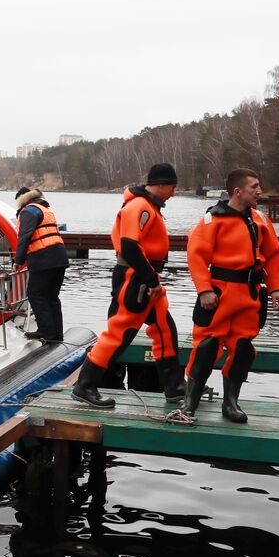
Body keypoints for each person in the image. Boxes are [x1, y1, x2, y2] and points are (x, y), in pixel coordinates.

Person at [177, 168, 279, 423]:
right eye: (254, 187)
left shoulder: (260, 220)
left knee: (243, 349)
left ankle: (231, 403)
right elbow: (196, 255)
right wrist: (204, 289)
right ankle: (190, 402)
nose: (260, 191)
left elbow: (274, 254)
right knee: (206, 347)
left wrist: (277, 287)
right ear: (238, 191)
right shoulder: (212, 220)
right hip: (219, 294)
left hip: (250, 295)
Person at [71, 164, 183, 407]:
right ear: (162, 184)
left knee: (165, 330)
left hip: (146, 275)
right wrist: (150, 279)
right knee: (119, 333)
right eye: (173, 187)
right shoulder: (139, 206)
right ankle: (85, 385)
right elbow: (130, 246)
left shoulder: (148, 206)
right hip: (137, 277)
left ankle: (175, 387)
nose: (174, 193)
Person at [13, 187, 67, 343]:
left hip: (44, 258)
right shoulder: (45, 208)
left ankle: (45, 331)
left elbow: (25, 237)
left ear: (21, 200)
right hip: (59, 257)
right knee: (52, 297)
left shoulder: (28, 211)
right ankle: (57, 335)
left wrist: (18, 261)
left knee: (36, 294)